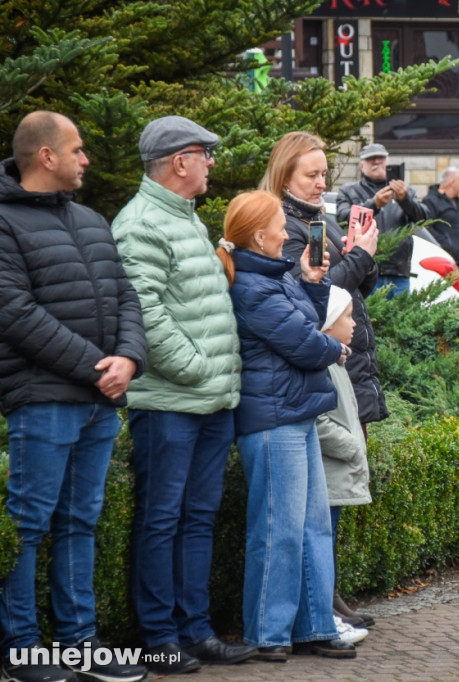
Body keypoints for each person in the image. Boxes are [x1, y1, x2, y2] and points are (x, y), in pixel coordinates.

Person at [0, 111, 149, 682]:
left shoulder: (90, 219)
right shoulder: (5, 223)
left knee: (79, 523)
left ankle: (78, 645)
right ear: (46, 156)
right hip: (43, 398)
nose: (86, 159)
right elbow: (14, 313)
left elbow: (126, 296)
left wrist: (130, 359)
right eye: (78, 150)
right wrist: (96, 368)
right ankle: (20, 652)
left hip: (98, 399)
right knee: (28, 524)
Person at [110, 115, 255, 673]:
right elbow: (144, 313)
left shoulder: (186, 218)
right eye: (206, 154)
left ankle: (195, 632)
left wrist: (215, 381)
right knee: (162, 519)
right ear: (179, 161)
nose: (212, 163)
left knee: (197, 518)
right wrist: (197, 370)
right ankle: (158, 637)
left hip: (210, 403)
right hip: (171, 403)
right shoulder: (141, 222)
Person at [215, 191, 354, 661]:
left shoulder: (277, 276)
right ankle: (269, 633)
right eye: (279, 225)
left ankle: (313, 626)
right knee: (279, 529)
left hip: (293, 412)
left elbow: (309, 321)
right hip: (272, 420)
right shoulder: (252, 287)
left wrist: (312, 283)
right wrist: (333, 349)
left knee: (313, 526)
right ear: (259, 235)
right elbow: (303, 341)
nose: (286, 233)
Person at [260, 131, 389, 444]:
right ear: (284, 177)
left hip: (351, 362)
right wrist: (359, 256)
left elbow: (355, 291)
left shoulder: (319, 217)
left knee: (356, 476)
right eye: (311, 175)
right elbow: (316, 300)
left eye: (324, 174)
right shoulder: (283, 227)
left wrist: (364, 255)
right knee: (343, 482)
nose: (322, 184)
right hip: (327, 368)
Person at [315, 286, 372, 643]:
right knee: (323, 539)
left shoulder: (338, 360)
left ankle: (333, 599)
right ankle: (326, 604)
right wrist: (353, 447)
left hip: (337, 470)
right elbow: (321, 419)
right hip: (329, 470)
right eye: (347, 316)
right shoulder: (324, 362)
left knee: (330, 539)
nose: (354, 324)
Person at [335, 142, 429, 297]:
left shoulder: (406, 190)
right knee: (369, 319)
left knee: (400, 320)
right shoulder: (349, 191)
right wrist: (374, 204)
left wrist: (405, 200)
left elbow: (424, 219)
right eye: (371, 159)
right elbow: (343, 218)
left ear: (388, 162)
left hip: (399, 273)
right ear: (362, 165)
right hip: (365, 272)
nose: (376, 162)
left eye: (380, 158)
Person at [424, 166, 459, 293]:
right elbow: (427, 227)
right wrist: (446, 245)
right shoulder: (431, 201)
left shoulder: (457, 201)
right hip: (446, 263)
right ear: (452, 181)